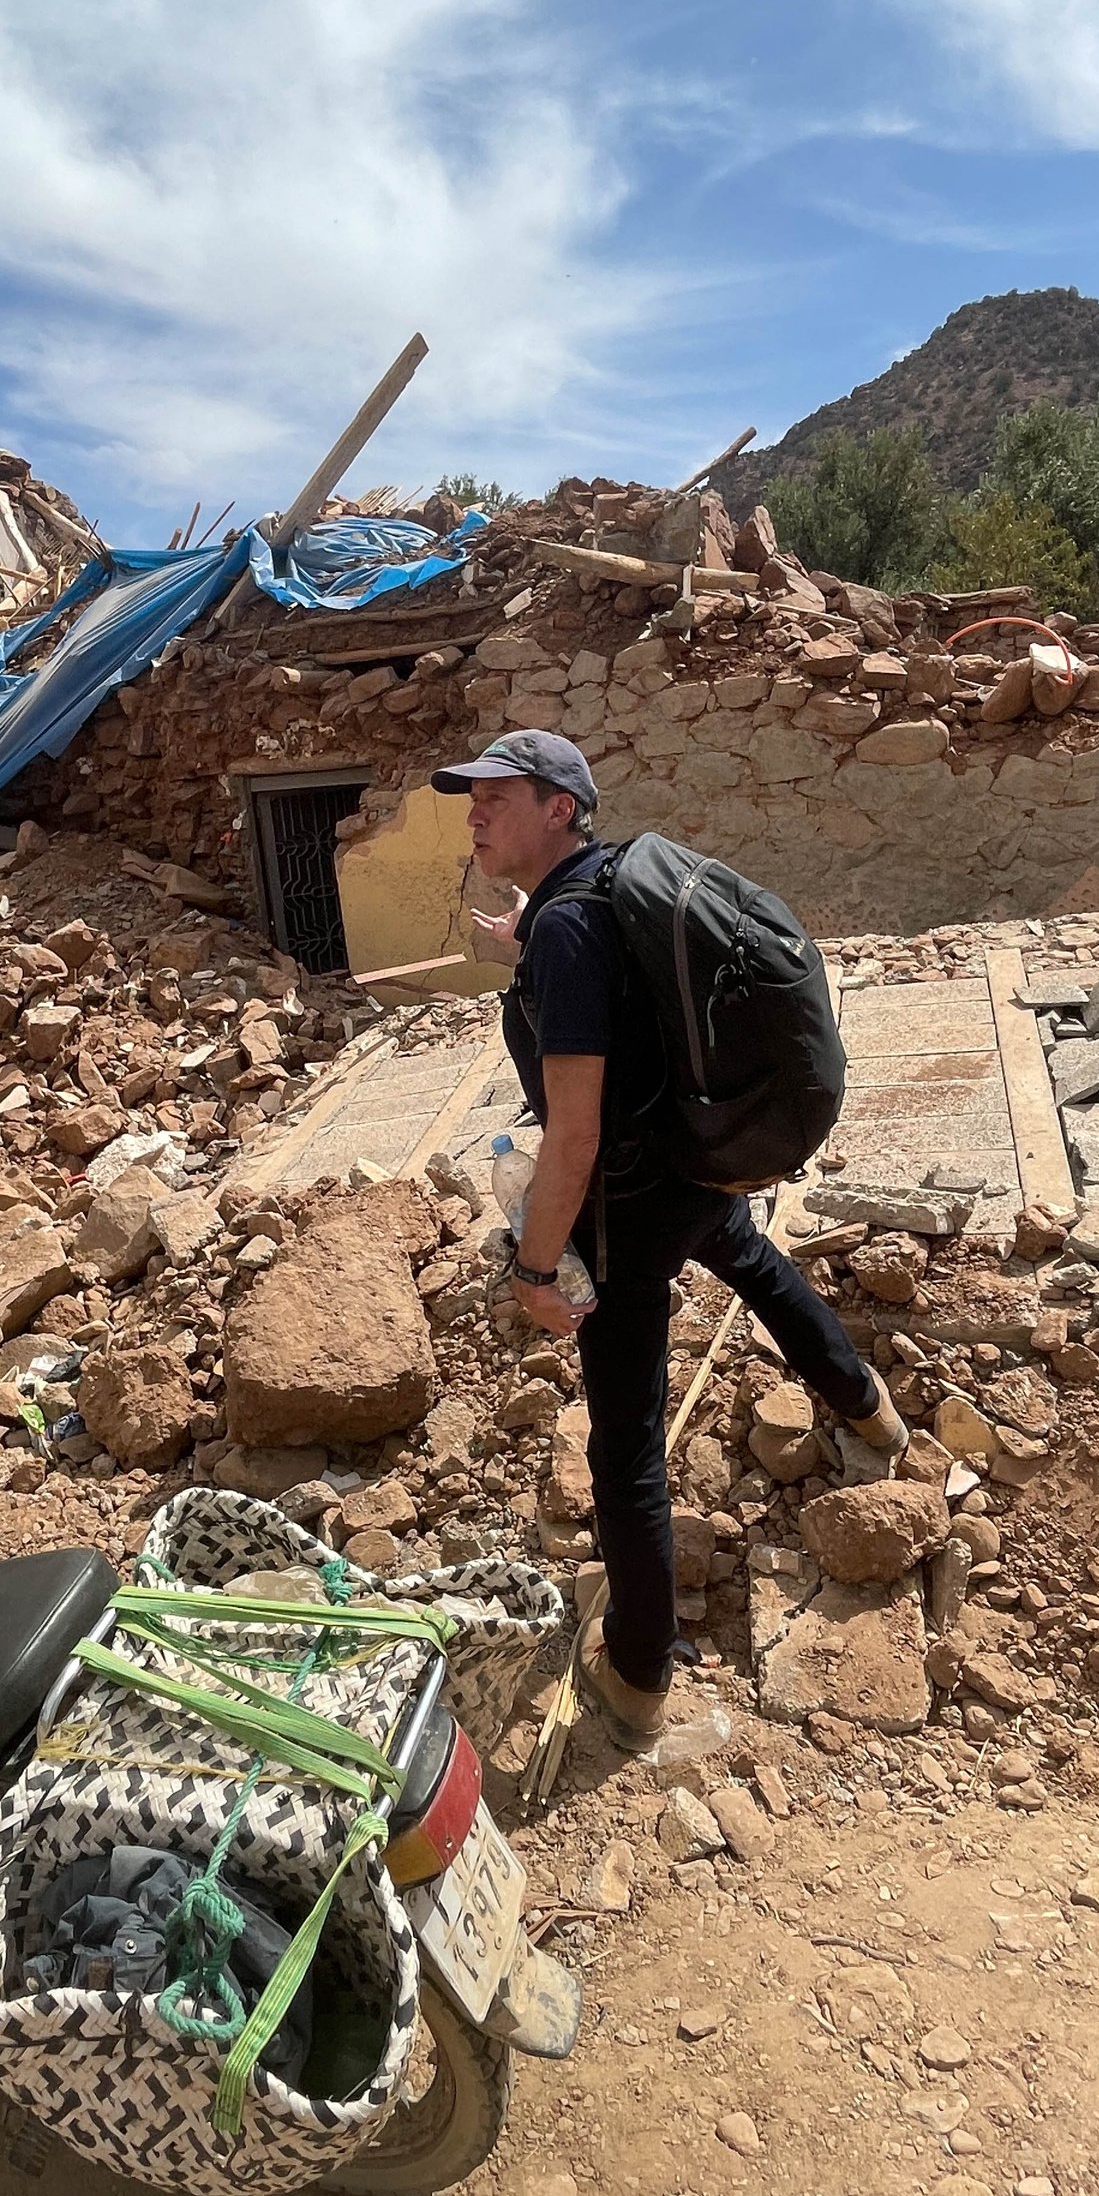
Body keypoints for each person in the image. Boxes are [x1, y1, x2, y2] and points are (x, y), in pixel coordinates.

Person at [432, 730, 906, 1753]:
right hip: (694, 1164)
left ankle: (640, 1665)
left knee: (626, 1440)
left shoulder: (567, 932)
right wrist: (526, 944)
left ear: (560, 806)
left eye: (494, 797)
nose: (473, 815)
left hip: (624, 1205)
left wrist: (531, 1264)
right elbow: (620, 987)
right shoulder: (602, 892)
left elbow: (575, 1134)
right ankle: (871, 1414)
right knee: (757, 1264)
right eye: (470, 799)